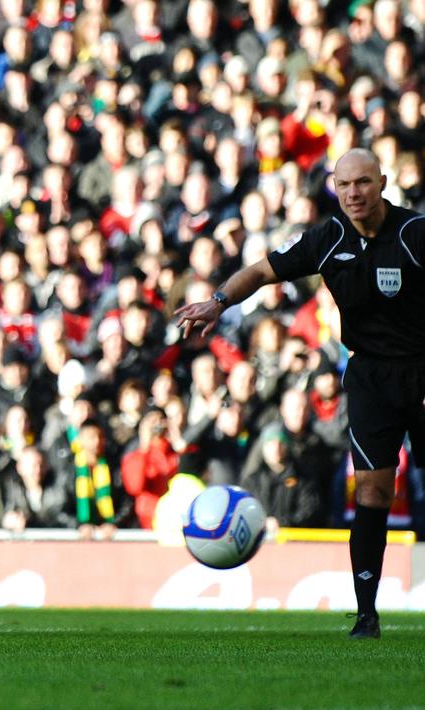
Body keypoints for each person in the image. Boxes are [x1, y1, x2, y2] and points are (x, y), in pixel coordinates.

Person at [177, 148, 425, 639]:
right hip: (371, 378)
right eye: (344, 185)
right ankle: (367, 616)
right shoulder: (327, 239)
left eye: (363, 183)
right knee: (374, 490)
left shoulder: (414, 234)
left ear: (383, 183)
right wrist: (219, 301)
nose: (353, 193)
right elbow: (263, 270)